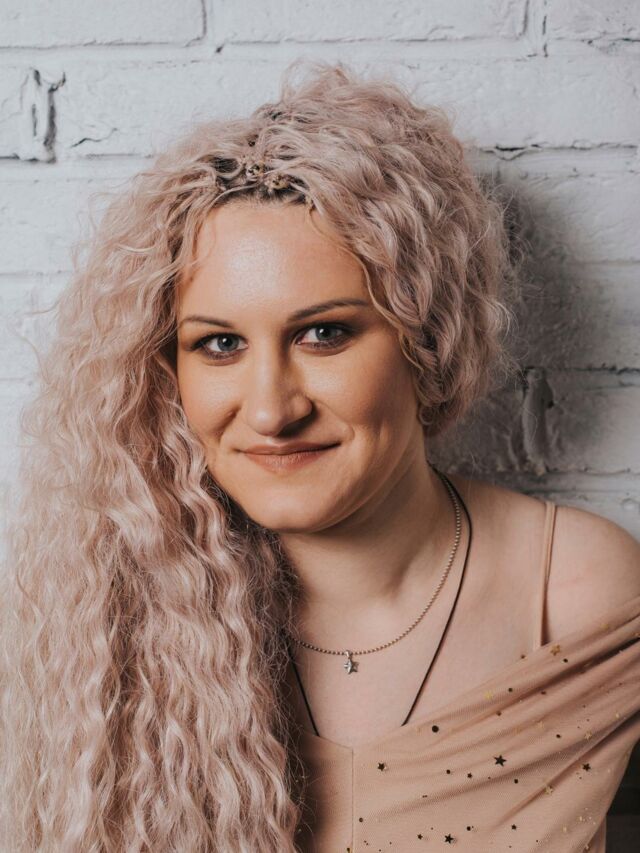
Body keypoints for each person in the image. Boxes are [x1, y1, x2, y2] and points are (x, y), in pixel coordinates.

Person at [1, 59, 639, 853]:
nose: (272, 410)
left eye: (324, 333)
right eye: (220, 344)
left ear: (426, 338)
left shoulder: (581, 594)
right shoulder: (101, 625)